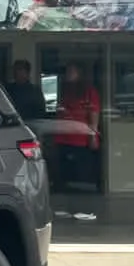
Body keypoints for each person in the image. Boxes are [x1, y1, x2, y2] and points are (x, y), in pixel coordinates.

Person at [54, 63, 101, 191]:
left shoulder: (89, 91)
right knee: (64, 171)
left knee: (81, 171)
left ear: (79, 74)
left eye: (72, 71)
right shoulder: (65, 90)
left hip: (80, 139)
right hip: (62, 137)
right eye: (67, 71)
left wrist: (92, 136)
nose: (68, 74)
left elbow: (94, 113)